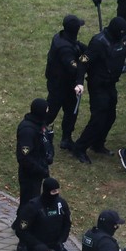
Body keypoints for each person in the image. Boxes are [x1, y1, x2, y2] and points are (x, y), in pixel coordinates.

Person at [71, 17, 126, 164]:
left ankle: (98, 143)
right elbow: (83, 61)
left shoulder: (122, 39)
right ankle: (80, 148)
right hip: (98, 84)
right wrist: (79, 82)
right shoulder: (98, 42)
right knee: (98, 118)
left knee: (110, 116)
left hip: (111, 83)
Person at [45, 15, 88, 151]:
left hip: (60, 82)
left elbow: (77, 46)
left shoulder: (61, 37)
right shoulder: (65, 50)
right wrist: (80, 79)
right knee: (53, 111)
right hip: (61, 85)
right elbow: (75, 68)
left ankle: (66, 138)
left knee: (71, 113)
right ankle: (40, 131)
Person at [15, 99, 53, 250]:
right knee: (29, 206)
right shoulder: (28, 130)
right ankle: (23, 240)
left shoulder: (39, 125)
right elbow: (24, 157)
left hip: (38, 171)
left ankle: (18, 224)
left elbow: (45, 143)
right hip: (30, 174)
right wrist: (40, 169)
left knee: (29, 203)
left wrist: (49, 155)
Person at [14, 177, 71, 251]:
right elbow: (21, 230)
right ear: (47, 191)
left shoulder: (61, 204)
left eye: (57, 190)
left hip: (56, 246)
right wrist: (37, 245)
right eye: (53, 191)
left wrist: (61, 240)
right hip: (38, 249)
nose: (56, 193)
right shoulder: (33, 207)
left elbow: (67, 223)